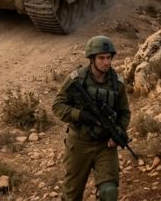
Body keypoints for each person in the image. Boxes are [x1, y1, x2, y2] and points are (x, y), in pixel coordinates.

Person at [52, 36, 131, 201]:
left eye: (108, 57)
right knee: (71, 195)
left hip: (105, 145)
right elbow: (57, 106)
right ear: (91, 59)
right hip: (79, 143)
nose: (106, 62)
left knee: (110, 192)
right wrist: (81, 115)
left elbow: (125, 113)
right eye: (101, 58)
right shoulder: (76, 79)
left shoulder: (117, 84)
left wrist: (118, 131)